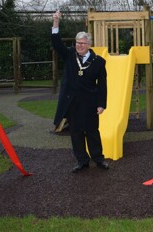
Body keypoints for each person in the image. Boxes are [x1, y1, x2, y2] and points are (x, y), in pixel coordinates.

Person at [51, 11, 109, 173]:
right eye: (77, 43)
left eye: (82, 43)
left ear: (89, 44)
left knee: (92, 132)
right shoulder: (70, 55)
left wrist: (101, 104)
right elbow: (56, 44)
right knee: (76, 133)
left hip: (90, 102)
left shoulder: (98, 62)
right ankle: (82, 160)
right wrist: (56, 22)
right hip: (72, 102)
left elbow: (103, 85)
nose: (79, 46)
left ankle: (98, 159)